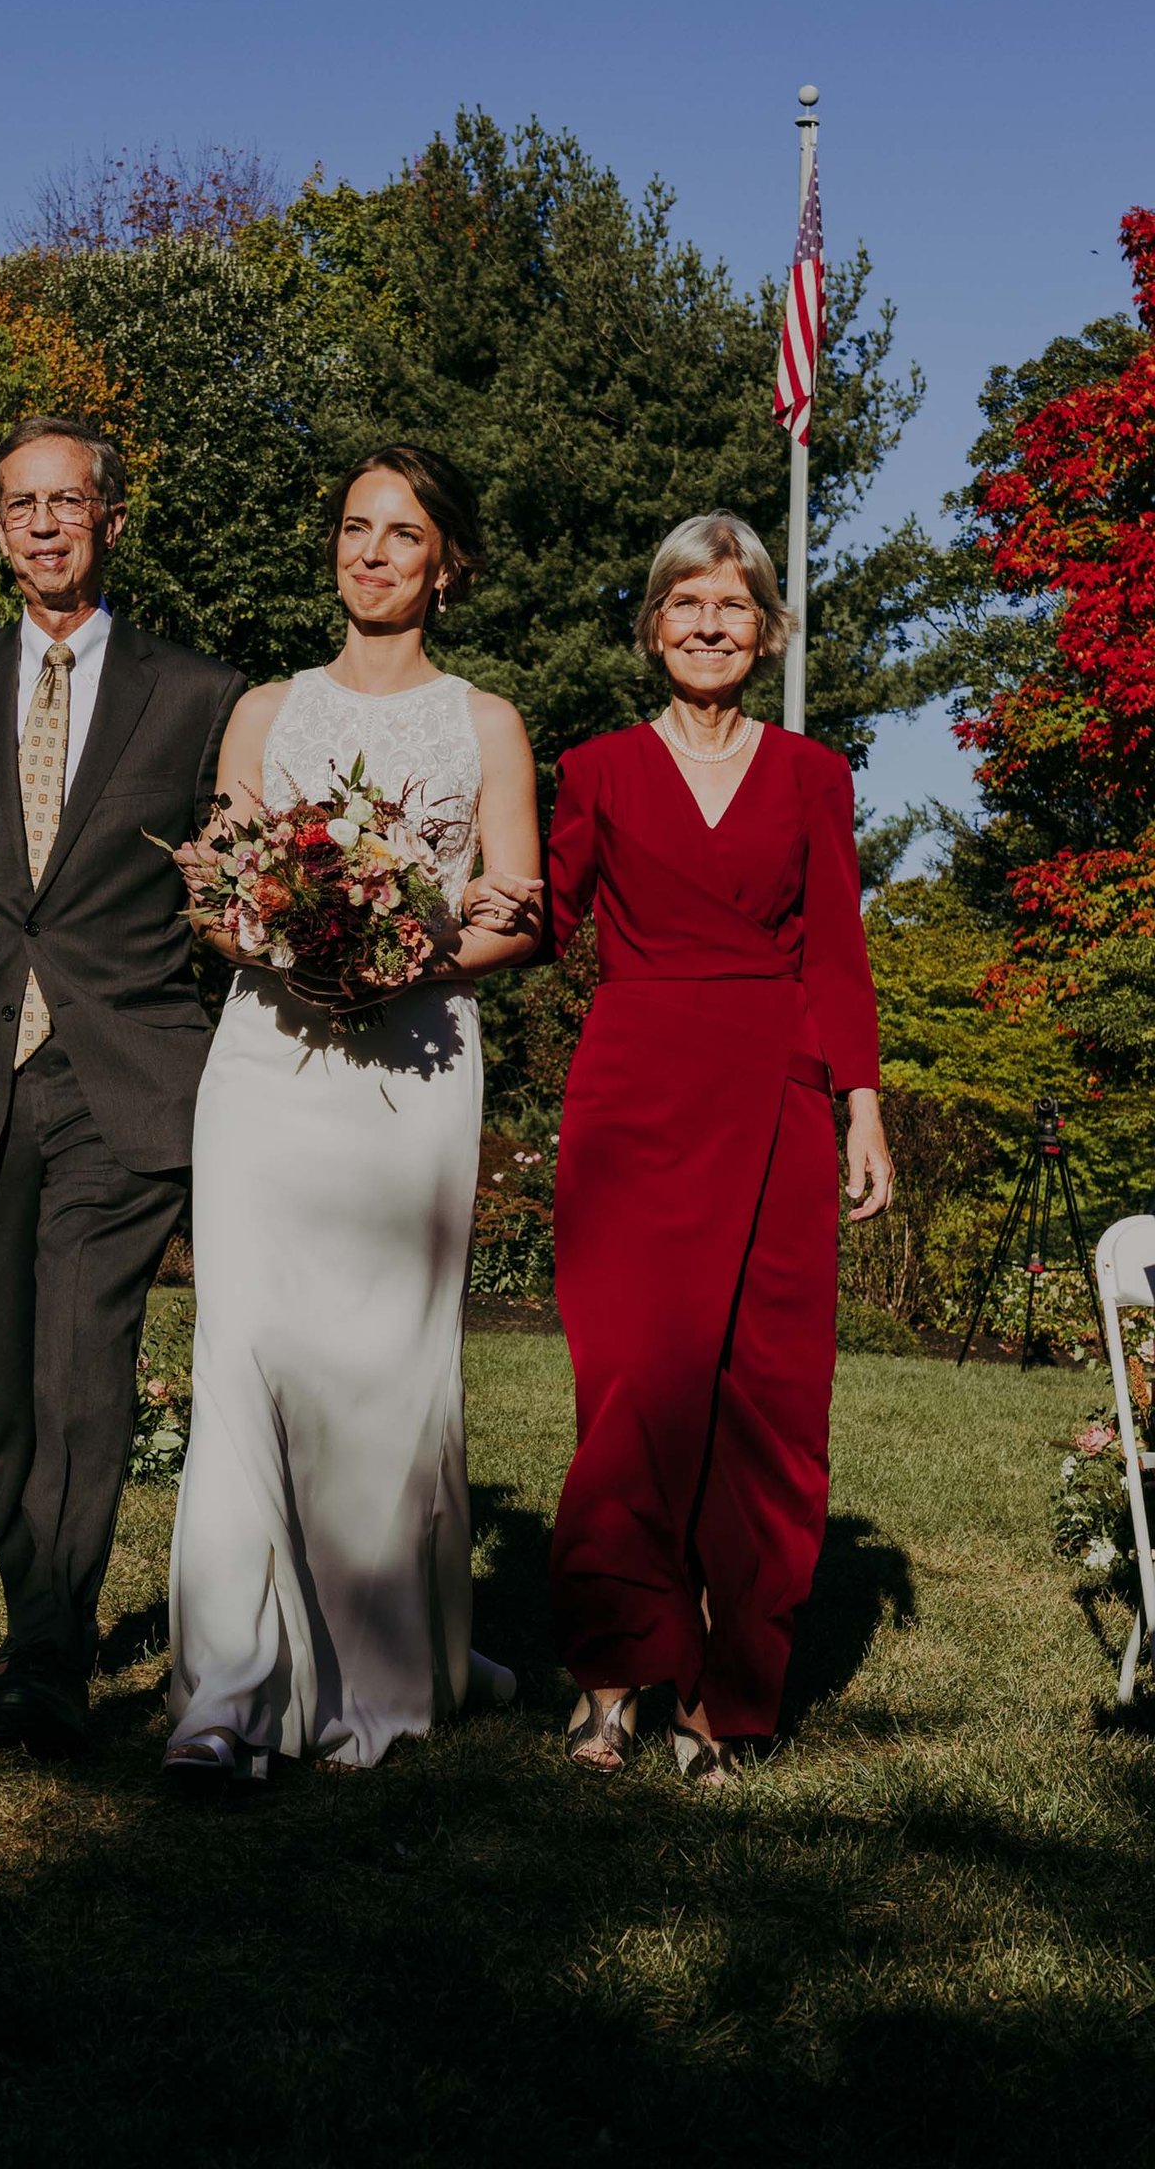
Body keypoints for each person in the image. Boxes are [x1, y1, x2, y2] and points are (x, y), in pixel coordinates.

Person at [0, 414, 245, 1756]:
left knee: (83, 1362)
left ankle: (48, 1652)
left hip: (123, 1075)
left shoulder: (198, 694)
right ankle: (40, 1611)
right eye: (22, 505)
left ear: (111, 521)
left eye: (69, 502)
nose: (45, 524)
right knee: (1, 1385)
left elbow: (236, 888)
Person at [162, 444, 543, 1780]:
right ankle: (228, 1694)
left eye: (401, 535)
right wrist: (280, 937)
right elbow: (216, 896)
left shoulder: (486, 723)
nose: (370, 553)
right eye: (353, 528)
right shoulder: (265, 711)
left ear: (447, 566)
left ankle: (380, 1671)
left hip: (413, 1069)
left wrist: (406, 957)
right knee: (243, 1351)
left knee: (387, 1368)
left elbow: (519, 911)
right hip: (267, 1062)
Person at [528, 511, 891, 1783]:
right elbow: (542, 918)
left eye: (732, 605)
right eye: (685, 603)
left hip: (777, 1096)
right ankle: (612, 1676)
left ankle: (724, 1696)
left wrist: (861, 1106)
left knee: (764, 1398)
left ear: (766, 629)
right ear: (652, 625)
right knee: (630, 1383)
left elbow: (836, 949)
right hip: (632, 1100)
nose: (708, 625)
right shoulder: (594, 769)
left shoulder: (813, 774)